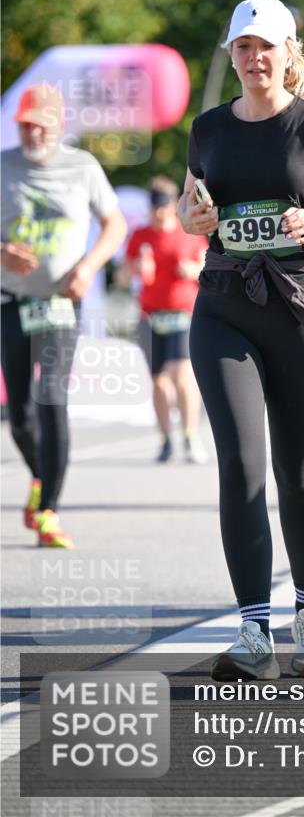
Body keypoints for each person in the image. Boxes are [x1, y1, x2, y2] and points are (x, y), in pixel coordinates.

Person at [179, 0, 304, 680]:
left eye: (267, 47)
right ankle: (253, 632)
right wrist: (188, 216)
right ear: (229, 55)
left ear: (289, 52)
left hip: (302, 307)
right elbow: (190, 205)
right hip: (225, 303)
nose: (255, 60)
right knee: (240, 467)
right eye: (242, 48)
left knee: (299, 472)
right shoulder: (206, 128)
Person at [0, 83, 126, 548]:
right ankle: (41, 478)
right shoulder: (3, 166)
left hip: (60, 304)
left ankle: (49, 509)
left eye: (41, 124)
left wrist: (88, 268)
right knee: (19, 415)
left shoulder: (82, 167)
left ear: (58, 126)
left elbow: (115, 224)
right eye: (25, 124)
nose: (32, 132)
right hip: (11, 302)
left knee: (51, 396)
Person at [118, 176, 209, 464]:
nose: (159, 212)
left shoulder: (190, 232)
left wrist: (192, 269)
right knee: (158, 381)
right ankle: (166, 438)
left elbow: (209, 270)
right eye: (154, 206)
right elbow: (121, 278)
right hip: (150, 315)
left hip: (183, 312)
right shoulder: (140, 235)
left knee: (182, 373)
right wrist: (135, 268)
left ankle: (190, 435)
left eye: (164, 206)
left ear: (173, 206)